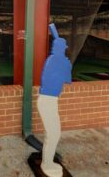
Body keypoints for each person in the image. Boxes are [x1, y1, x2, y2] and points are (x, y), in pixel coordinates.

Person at [38, 23, 72, 177]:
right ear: (60, 48)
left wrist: (66, 66)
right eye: (63, 48)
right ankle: (47, 163)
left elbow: (66, 80)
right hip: (47, 101)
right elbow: (67, 79)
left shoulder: (54, 60)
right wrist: (67, 66)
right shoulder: (56, 61)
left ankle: (48, 161)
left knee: (53, 134)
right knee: (53, 134)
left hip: (50, 101)